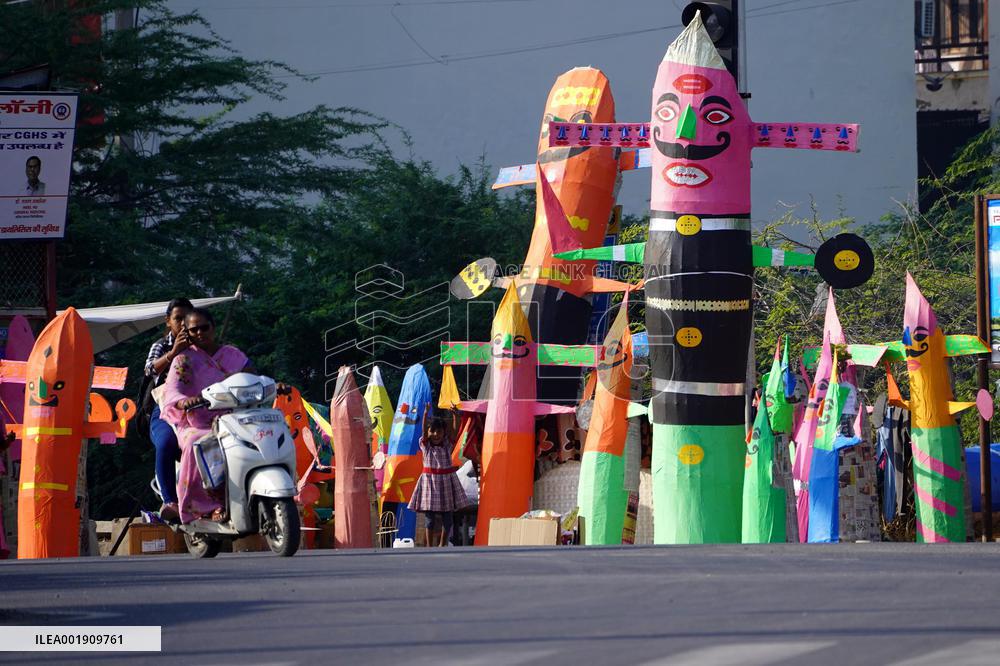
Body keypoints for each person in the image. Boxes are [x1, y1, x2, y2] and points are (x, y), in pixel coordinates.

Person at [161, 308, 251, 523]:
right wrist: (184, 401)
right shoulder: (183, 359)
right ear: (187, 333)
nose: (200, 333)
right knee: (197, 442)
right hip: (197, 421)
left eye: (204, 327)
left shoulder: (233, 354)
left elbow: (254, 378)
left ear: (213, 327)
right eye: (194, 330)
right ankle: (205, 506)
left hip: (235, 418)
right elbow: (172, 391)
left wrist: (274, 385)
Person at [143, 298, 193, 521]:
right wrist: (174, 352)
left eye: (187, 318)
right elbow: (149, 369)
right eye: (178, 318)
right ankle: (170, 501)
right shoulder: (161, 345)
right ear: (168, 322)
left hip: (199, 406)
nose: (183, 324)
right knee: (166, 443)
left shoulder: (203, 343)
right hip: (165, 408)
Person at [408, 405, 472, 546]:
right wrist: (425, 414)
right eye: (433, 431)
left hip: (446, 482)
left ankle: (442, 543)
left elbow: (455, 432)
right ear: (429, 432)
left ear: (444, 433)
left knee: (447, 516)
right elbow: (424, 431)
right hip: (429, 483)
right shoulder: (426, 446)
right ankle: (430, 545)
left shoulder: (447, 445)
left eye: (439, 431)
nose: (436, 434)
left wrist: (456, 416)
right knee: (429, 518)